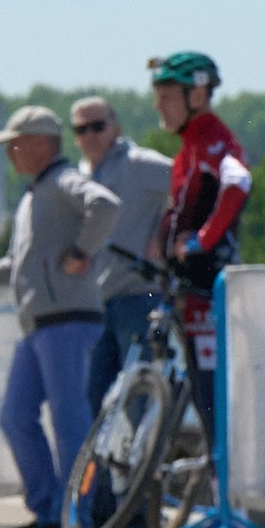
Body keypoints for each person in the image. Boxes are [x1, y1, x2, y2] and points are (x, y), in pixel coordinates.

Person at [0, 106, 120, 528]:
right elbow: (25, 260)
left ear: (38, 144)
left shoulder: (61, 181)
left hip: (66, 320)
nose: (10, 153)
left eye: (15, 144)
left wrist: (83, 251)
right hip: (42, 322)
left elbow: (105, 205)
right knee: (16, 416)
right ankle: (51, 510)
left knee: (68, 420)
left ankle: (72, 513)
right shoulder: (40, 191)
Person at [150, 53, 250, 457]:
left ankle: (224, 484)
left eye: (167, 96)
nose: (158, 105)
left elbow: (239, 183)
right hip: (187, 283)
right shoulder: (191, 143)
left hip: (207, 285)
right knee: (197, 387)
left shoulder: (213, 140)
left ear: (197, 95)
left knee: (210, 394)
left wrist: (201, 241)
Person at [72, 95, 174, 416]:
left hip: (139, 297)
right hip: (95, 304)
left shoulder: (139, 163)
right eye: (81, 129)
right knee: (89, 403)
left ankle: (147, 451)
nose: (89, 135)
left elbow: (193, 186)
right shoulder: (80, 176)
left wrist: (165, 234)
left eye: (97, 126)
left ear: (116, 128)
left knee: (138, 401)